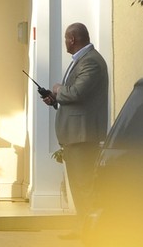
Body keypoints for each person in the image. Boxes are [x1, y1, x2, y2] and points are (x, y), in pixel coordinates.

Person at [40, 22, 108, 232]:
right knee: (78, 184)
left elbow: (78, 92)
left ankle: (90, 230)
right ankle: (82, 227)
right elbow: (75, 98)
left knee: (84, 184)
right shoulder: (81, 60)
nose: (65, 43)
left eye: (66, 39)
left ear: (72, 39)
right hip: (75, 135)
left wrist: (59, 90)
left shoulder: (91, 62)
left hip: (83, 135)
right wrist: (55, 100)